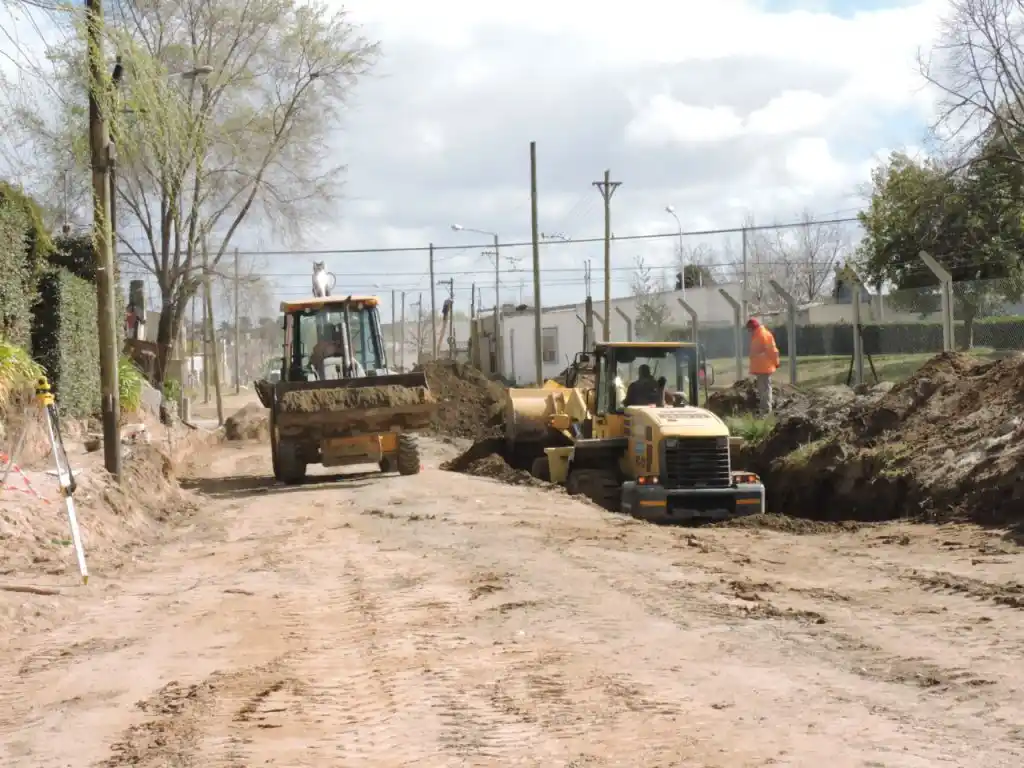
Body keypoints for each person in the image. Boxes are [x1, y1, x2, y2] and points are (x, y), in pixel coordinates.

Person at [746, 317, 780, 414]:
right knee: (762, 389)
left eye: (749, 329)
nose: (748, 332)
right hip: (761, 367)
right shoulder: (757, 334)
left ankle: (766, 410)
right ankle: (764, 407)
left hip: (764, 367)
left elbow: (772, 350)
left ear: (752, 327)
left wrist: (776, 362)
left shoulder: (763, 335)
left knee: (765, 389)